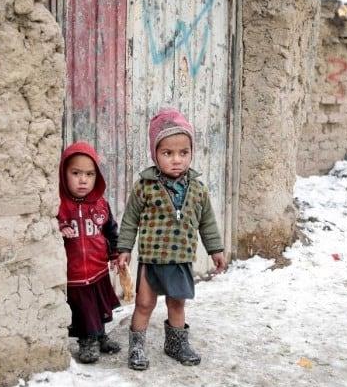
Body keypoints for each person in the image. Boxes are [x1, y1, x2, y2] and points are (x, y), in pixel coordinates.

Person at [117, 108, 227, 371]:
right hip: (152, 259)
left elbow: (207, 222)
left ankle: (176, 344)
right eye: (167, 153)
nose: (176, 160)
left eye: (183, 153)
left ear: (191, 152)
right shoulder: (145, 186)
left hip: (180, 258)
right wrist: (124, 248)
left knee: (177, 303)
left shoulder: (198, 190)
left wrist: (216, 249)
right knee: (144, 303)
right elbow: (131, 219)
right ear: (155, 153)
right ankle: (137, 347)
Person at [57, 141, 122, 364]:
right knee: (83, 310)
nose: (83, 180)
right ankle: (87, 340)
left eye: (89, 174)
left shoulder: (100, 204)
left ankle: (100, 335)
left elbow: (111, 230)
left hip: (97, 269)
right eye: (76, 173)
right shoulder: (59, 205)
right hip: (74, 273)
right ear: (64, 174)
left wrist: (114, 255)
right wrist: (58, 228)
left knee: (98, 305)